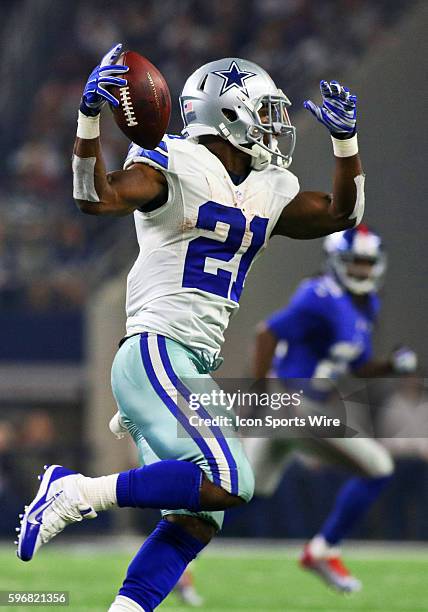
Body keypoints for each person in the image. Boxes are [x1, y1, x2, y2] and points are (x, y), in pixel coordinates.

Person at [17, 42, 366, 611]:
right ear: (227, 115)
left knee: (198, 519)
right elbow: (93, 197)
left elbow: (340, 215)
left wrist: (346, 145)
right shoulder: (172, 162)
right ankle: (76, 490)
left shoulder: (270, 186)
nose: (277, 126)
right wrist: (87, 121)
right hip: (157, 349)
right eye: (265, 111)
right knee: (233, 482)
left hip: (188, 363)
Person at [250, 224, 418, 592]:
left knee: (242, 488)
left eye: (367, 264)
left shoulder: (367, 304)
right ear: (336, 261)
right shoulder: (319, 294)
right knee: (379, 466)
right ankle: (323, 549)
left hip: (298, 407)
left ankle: (177, 542)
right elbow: (267, 333)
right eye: (354, 263)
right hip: (291, 403)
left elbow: (358, 367)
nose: (362, 271)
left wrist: (391, 365)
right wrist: (259, 394)